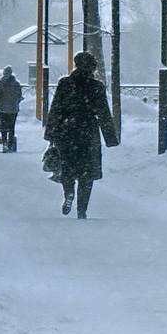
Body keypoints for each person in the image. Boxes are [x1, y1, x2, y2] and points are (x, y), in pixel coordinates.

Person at [43, 51, 119, 219]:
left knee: (68, 168)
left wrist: (51, 132)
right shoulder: (97, 87)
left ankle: (69, 193)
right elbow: (104, 113)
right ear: (92, 67)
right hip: (88, 132)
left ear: (76, 65)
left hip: (66, 132)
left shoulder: (65, 83)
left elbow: (56, 108)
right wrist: (110, 138)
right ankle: (82, 209)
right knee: (87, 172)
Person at [0, 65, 23, 151]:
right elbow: (19, 96)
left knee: (3, 126)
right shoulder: (16, 84)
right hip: (13, 109)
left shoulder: (1, 83)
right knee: (11, 127)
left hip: (2, 109)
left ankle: (4, 142)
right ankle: (10, 144)